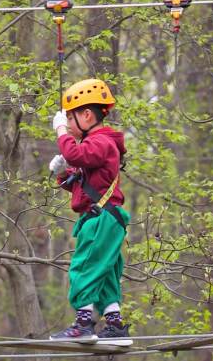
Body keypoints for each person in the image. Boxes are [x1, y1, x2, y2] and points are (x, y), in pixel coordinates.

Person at [48, 78, 132, 345]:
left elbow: (77, 156)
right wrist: (62, 175)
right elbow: (81, 185)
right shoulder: (96, 145)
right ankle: (114, 324)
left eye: (70, 119)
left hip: (101, 219)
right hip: (102, 217)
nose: (68, 125)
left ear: (87, 115)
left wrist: (61, 132)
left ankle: (83, 323)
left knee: (85, 267)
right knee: (105, 271)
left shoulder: (101, 142)